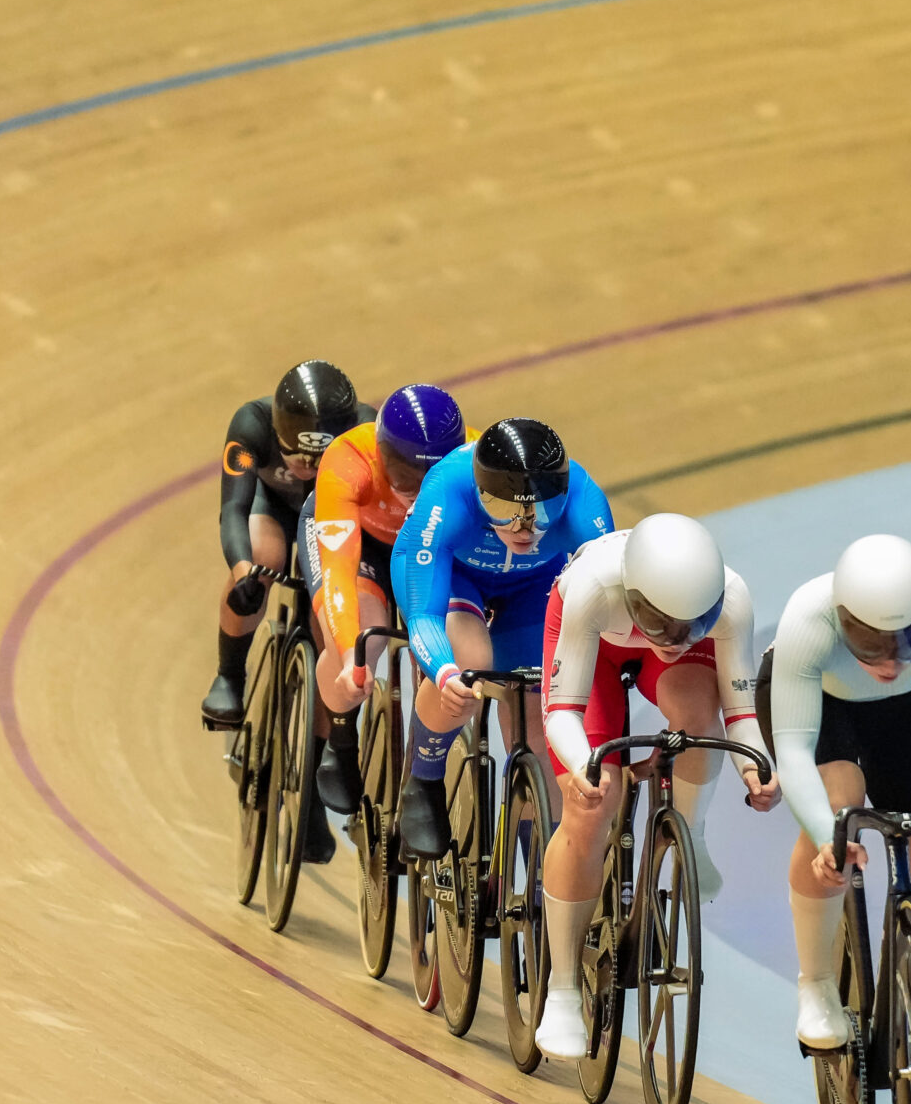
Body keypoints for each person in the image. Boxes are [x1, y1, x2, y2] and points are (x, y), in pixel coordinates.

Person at [532, 514, 782, 1061]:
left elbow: (739, 714)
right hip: (594, 649)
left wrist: (757, 767)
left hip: (649, 650)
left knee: (699, 720)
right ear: (636, 595)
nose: (682, 639)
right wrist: (585, 769)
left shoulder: (728, 601)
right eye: (668, 624)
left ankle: (688, 833)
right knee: (592, 807)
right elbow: (561, 715)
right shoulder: (595, 590)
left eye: (698, 623)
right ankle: (563, 988)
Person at [759, 534, 911, 1051]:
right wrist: (824, 838)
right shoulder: (807, 621)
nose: (890, 661)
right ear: (843, 621)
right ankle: (815, 984)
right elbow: (793, 751)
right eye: (872, 645)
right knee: (840, 803)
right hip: (821, 701)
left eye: (908, 641)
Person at [389, 418, 615, 858]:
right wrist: (443, 670)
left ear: (563, 496)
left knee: (538, 716)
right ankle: (425, 776)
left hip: (535, 588)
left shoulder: (586, 506)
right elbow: (422, 614)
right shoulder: (448, 492)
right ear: (478, 494)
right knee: (469, 669)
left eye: (542, 512)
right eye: (503, 510)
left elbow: (608, 611)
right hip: (459, 579)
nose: (525, 528)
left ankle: (539, 861)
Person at [306, 384, 471, 818]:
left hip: (431, 546)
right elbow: (339, 571)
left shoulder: (477, 459)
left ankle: (426, 770)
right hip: (366, 544)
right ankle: (341, 739)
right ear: (380, 455)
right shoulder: (348, 461)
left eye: (431, 477)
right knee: (366, 637)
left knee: (448, 652)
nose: (416, 490)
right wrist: (348, 658)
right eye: (403, 475)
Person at [204, 361, 366, 728]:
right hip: (273, 506)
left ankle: (329, 747)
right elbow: (234, 508)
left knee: (330, 612)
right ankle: (229, 676)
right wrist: (244, 570)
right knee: (265, 557)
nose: (305, 468)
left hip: (331, 511)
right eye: (297, 459)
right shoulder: (252, 425)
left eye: (316, 462)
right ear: (276, 434)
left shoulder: (367, 432)